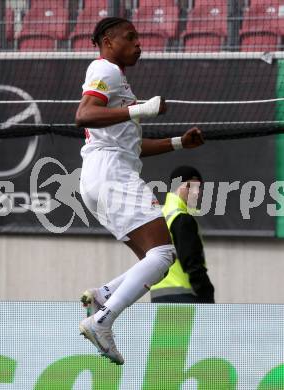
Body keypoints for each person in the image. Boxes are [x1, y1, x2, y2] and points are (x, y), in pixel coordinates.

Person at [76, 17, 204, 365]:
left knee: (156, 261)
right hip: (112, 176)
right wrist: (142, 108)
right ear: (107, 40)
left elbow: (130, 147)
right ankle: (102, 319)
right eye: (129, 37)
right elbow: (84, 114)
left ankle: (104, 295)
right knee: (163, 256)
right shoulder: (105, 69)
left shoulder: (116, 79)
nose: (138, 43)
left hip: (103, 175)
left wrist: (178, 143)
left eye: (138, 38)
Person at [150, 166, 215, 303]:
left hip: (159, 294)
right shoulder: (182, 218)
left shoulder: (159, 215)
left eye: (198, 187)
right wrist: (206, 293)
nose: (195, 192)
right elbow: (192, 262)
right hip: (184, 296)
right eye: (190, 186)